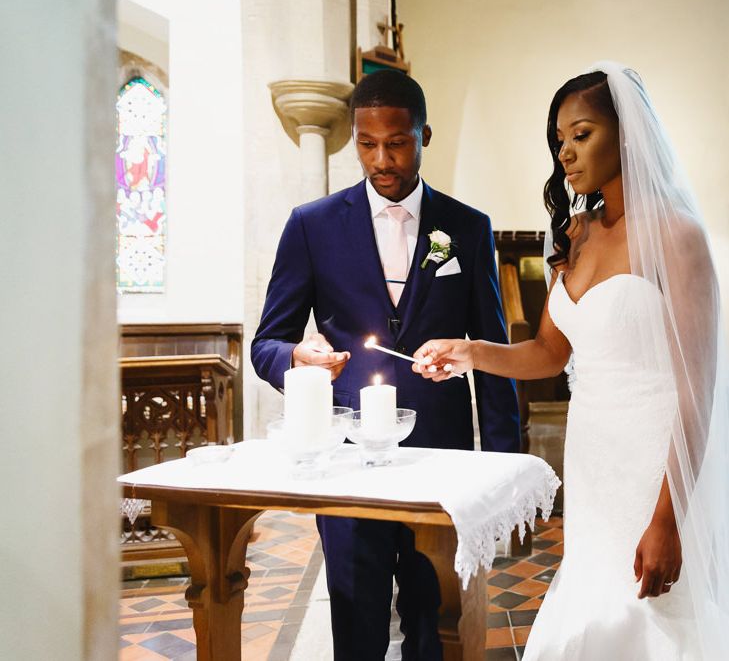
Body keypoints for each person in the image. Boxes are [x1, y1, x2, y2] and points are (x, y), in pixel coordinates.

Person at [413, 62, 729, 659]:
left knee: (651, 616)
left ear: (627, 132)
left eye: (582, 134)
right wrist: (471, 352)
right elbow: (549, 354)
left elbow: (698, 389)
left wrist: (667, 518)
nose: (567, 152)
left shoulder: (677, 236)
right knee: (593, 601)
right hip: (593, 462)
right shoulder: (575, 235)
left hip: (653, 466)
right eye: (560, 140)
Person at [252, 69, 520, 660]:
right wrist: (298, 357)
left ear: (424, 136)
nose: (380, 159)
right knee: (356, 618)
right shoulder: (312, 226)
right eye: (366, 143)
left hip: (441, 458)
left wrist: (503, 469)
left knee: (435, 619)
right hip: (346, 462)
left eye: (396, 142)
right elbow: (266, 343)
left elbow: (495, 352)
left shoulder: (467, 229)